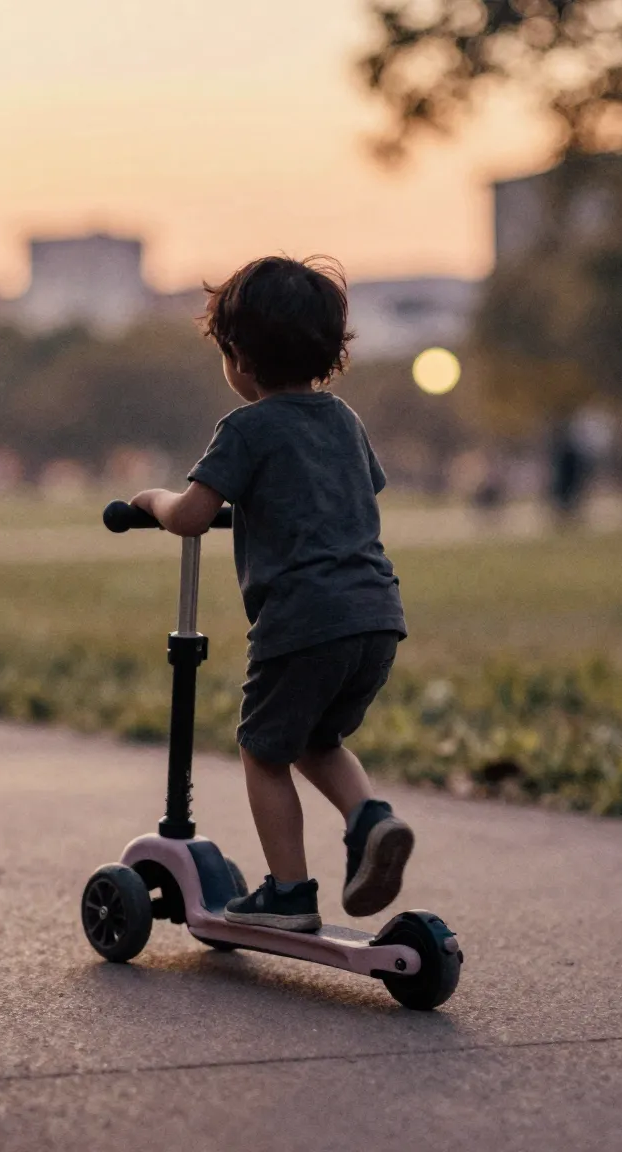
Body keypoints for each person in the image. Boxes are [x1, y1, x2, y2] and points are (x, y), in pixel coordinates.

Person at [131, 255, 413, 933]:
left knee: (264, 749)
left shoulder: (247, 428)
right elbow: (347, 493)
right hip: (376, 616)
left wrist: (151, 500)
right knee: (317, 737)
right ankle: (370, 818)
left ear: (240, 358)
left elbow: (191, 516)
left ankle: (288, 893)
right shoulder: (343, 420)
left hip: (304, 621)